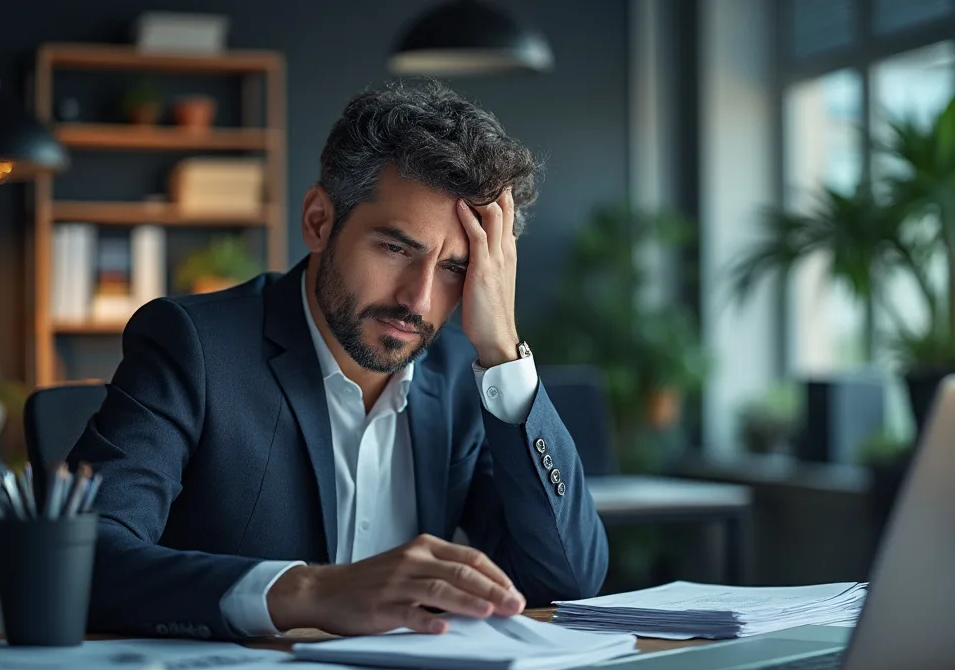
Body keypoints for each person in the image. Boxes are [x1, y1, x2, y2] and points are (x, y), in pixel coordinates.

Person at [70, 80, 608, 641]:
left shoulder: (461, 374)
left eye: (455, 268)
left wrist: (502, 353)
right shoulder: (193, 346)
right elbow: (86, 560)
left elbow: (566, 579)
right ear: (319, 221)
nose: (417, 301)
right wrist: (313, 592)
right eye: (396, 248)